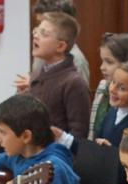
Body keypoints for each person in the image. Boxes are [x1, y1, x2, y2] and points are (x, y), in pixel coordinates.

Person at [24, 11, 90, 139]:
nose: (36, 36)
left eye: (44, 34)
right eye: (36, 31)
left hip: (56, 155)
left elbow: (78, 133)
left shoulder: (74, 82)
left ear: (60, 46)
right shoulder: (38, 73)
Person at [14, 0, 90, 87]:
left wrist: (35, 86)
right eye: (39, 24)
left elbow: (78, 96)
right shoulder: (42, 51)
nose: (36, 32)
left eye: (44, 28)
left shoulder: (77, 60)